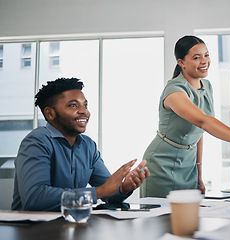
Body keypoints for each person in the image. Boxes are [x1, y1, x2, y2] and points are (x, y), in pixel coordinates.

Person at [140, 35, 230, 198]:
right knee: (161, 220)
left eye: (206, 55)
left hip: (189, 167)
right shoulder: (174, 91)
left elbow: (199, 132)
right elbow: (203, 121)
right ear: (181, 63)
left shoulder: (206, 86)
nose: (204, 61)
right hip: (162, 164)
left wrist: (199, 174)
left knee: (189, 219)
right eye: (196, 57)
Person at [12, 78, 150, 212]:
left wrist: (123, 188)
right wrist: (100, 191)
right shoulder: (36, 142)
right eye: (73, 105)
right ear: (50, 113)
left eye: (85, 105)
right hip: (34, 230)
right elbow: (35, 199)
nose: (84, 111)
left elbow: (108, 192)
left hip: (73, 225)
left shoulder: (88, 146)